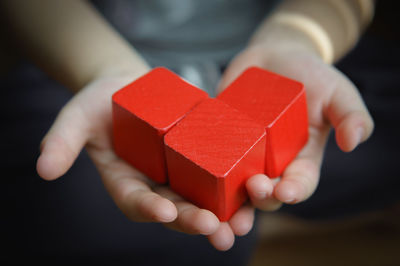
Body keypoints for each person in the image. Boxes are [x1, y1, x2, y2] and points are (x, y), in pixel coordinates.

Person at [0, 0, 376, 264]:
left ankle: (263, 216)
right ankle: (267, 222)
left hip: (265, 54)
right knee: (64, 216)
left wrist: (299, 39)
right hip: (99, 58)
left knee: (365, 129)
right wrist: (102, 68)